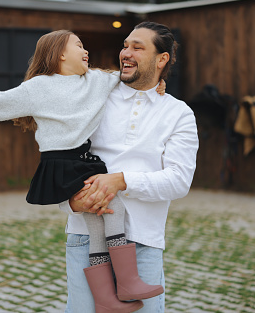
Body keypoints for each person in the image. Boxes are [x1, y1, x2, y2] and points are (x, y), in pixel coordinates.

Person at [0, 29, 166, 312]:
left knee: (96, 225)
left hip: (85, 161)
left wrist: (157, 83)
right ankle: (128, 282)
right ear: (60, 53)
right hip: (60, 163)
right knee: (112, 208)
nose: (86, 51)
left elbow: (131, 78)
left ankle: (106, 299)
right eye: (79, 45)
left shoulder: (97, 80)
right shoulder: (39, 87)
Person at [59, 21, 199, 312]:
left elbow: (178, 181)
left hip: (143, 242)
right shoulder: (93, 97)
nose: (126, 52)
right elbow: (61, 159)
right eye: (125, 45)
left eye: (138, 47)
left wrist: (120, 181)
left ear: (162, 59)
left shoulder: (178, 113)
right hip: (85, 237)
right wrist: (70, 201)